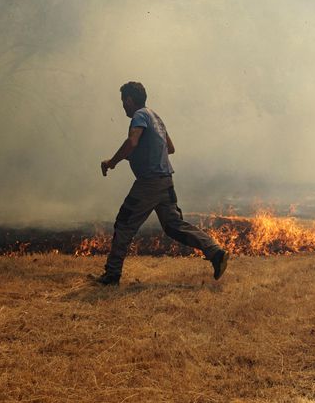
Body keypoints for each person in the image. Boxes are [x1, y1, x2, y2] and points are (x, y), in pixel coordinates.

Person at [92, 81, 229, 286]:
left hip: (149, 183)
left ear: (130, 100)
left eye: (123, 101)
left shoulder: (139, 116)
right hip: (166, 181)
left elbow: (132, 142)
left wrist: (112, 162)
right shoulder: (156, 117)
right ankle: (215, 252)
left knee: (124, 224)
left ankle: (111, 275)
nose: (122, 106)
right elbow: (170, 148)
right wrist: (143, 153)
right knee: (174, 225)